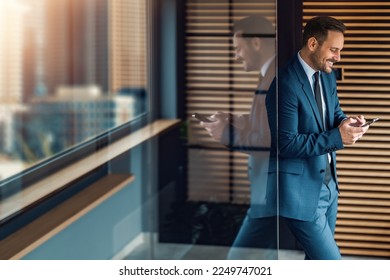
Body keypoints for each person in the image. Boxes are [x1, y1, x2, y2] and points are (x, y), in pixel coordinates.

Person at [266, 16, 370, 260]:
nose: (338, 57)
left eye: (340, 51)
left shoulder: (327, 75)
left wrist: (347, 122)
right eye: (334, 50)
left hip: (329, 186)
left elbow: (332, 114)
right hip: (300, 193)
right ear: (313, 43)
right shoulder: (284, 85)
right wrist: (337, 137)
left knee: (317, 263)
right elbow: (286, 144)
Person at [200, 15, 277, 259]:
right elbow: (269, 122)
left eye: (238, 48)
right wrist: (237, 119)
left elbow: (270, 142)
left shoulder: (275, 78)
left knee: (237, 261)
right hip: (269, 190)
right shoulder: (271, 73)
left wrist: (226, 134)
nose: (236, 56)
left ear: (256, 43)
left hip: (270, 191)